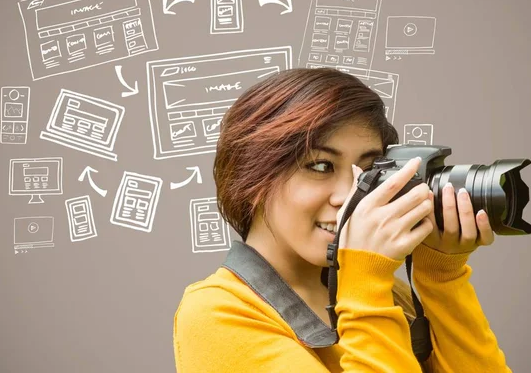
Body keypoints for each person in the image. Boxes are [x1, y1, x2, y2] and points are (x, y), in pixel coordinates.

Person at [173, 68, 511, 372]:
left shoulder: (385, 291)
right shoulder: (217, 313)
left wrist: (440, 274)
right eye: (320, 166)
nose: (350, 196)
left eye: (366, 171)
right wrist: (363, 282)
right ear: (252, 177)